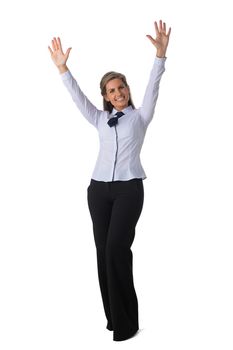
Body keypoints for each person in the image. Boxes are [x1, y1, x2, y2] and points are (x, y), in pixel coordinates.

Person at [48, 19, 171, 341]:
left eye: (121, 88)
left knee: (118, 248)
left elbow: (154, 86)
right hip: (97, 190)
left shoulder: (140, 116)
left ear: (128, 90)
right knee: (103, 252)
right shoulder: (100, 118)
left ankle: (128, 324)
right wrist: (64, 70)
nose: (118, 93)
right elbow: (76, 97)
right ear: (105, 95)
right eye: (111, 90)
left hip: (130, 188)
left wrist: (160, 56)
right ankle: (114, 319)